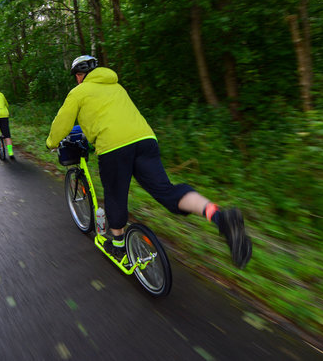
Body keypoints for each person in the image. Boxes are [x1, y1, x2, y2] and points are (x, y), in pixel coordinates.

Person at [46, 55, 252, 269]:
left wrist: (51, 142)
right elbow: (113, 118)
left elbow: (62, 123)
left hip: (114, 147)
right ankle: (219, 216)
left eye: (77, 76)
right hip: (145, 140)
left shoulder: (78, 92)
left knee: (115, 195)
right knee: (166, 191)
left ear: (80, 75)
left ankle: (118, 245)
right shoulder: (117, 86)